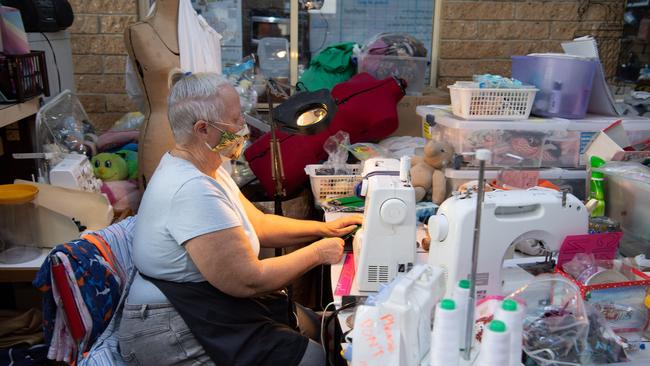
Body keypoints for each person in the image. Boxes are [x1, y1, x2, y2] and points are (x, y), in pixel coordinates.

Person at [118, 71, 362, 366]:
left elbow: (257, 225)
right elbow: (247, 281)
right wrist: (319, 252)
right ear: (203, 129)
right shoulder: (191, 189)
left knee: (323, 327)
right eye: (235, 121)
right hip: (169, 326)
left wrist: (323, 229)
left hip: (206, 304)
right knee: (313, 357)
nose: (243, 128)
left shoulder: (208, 168)